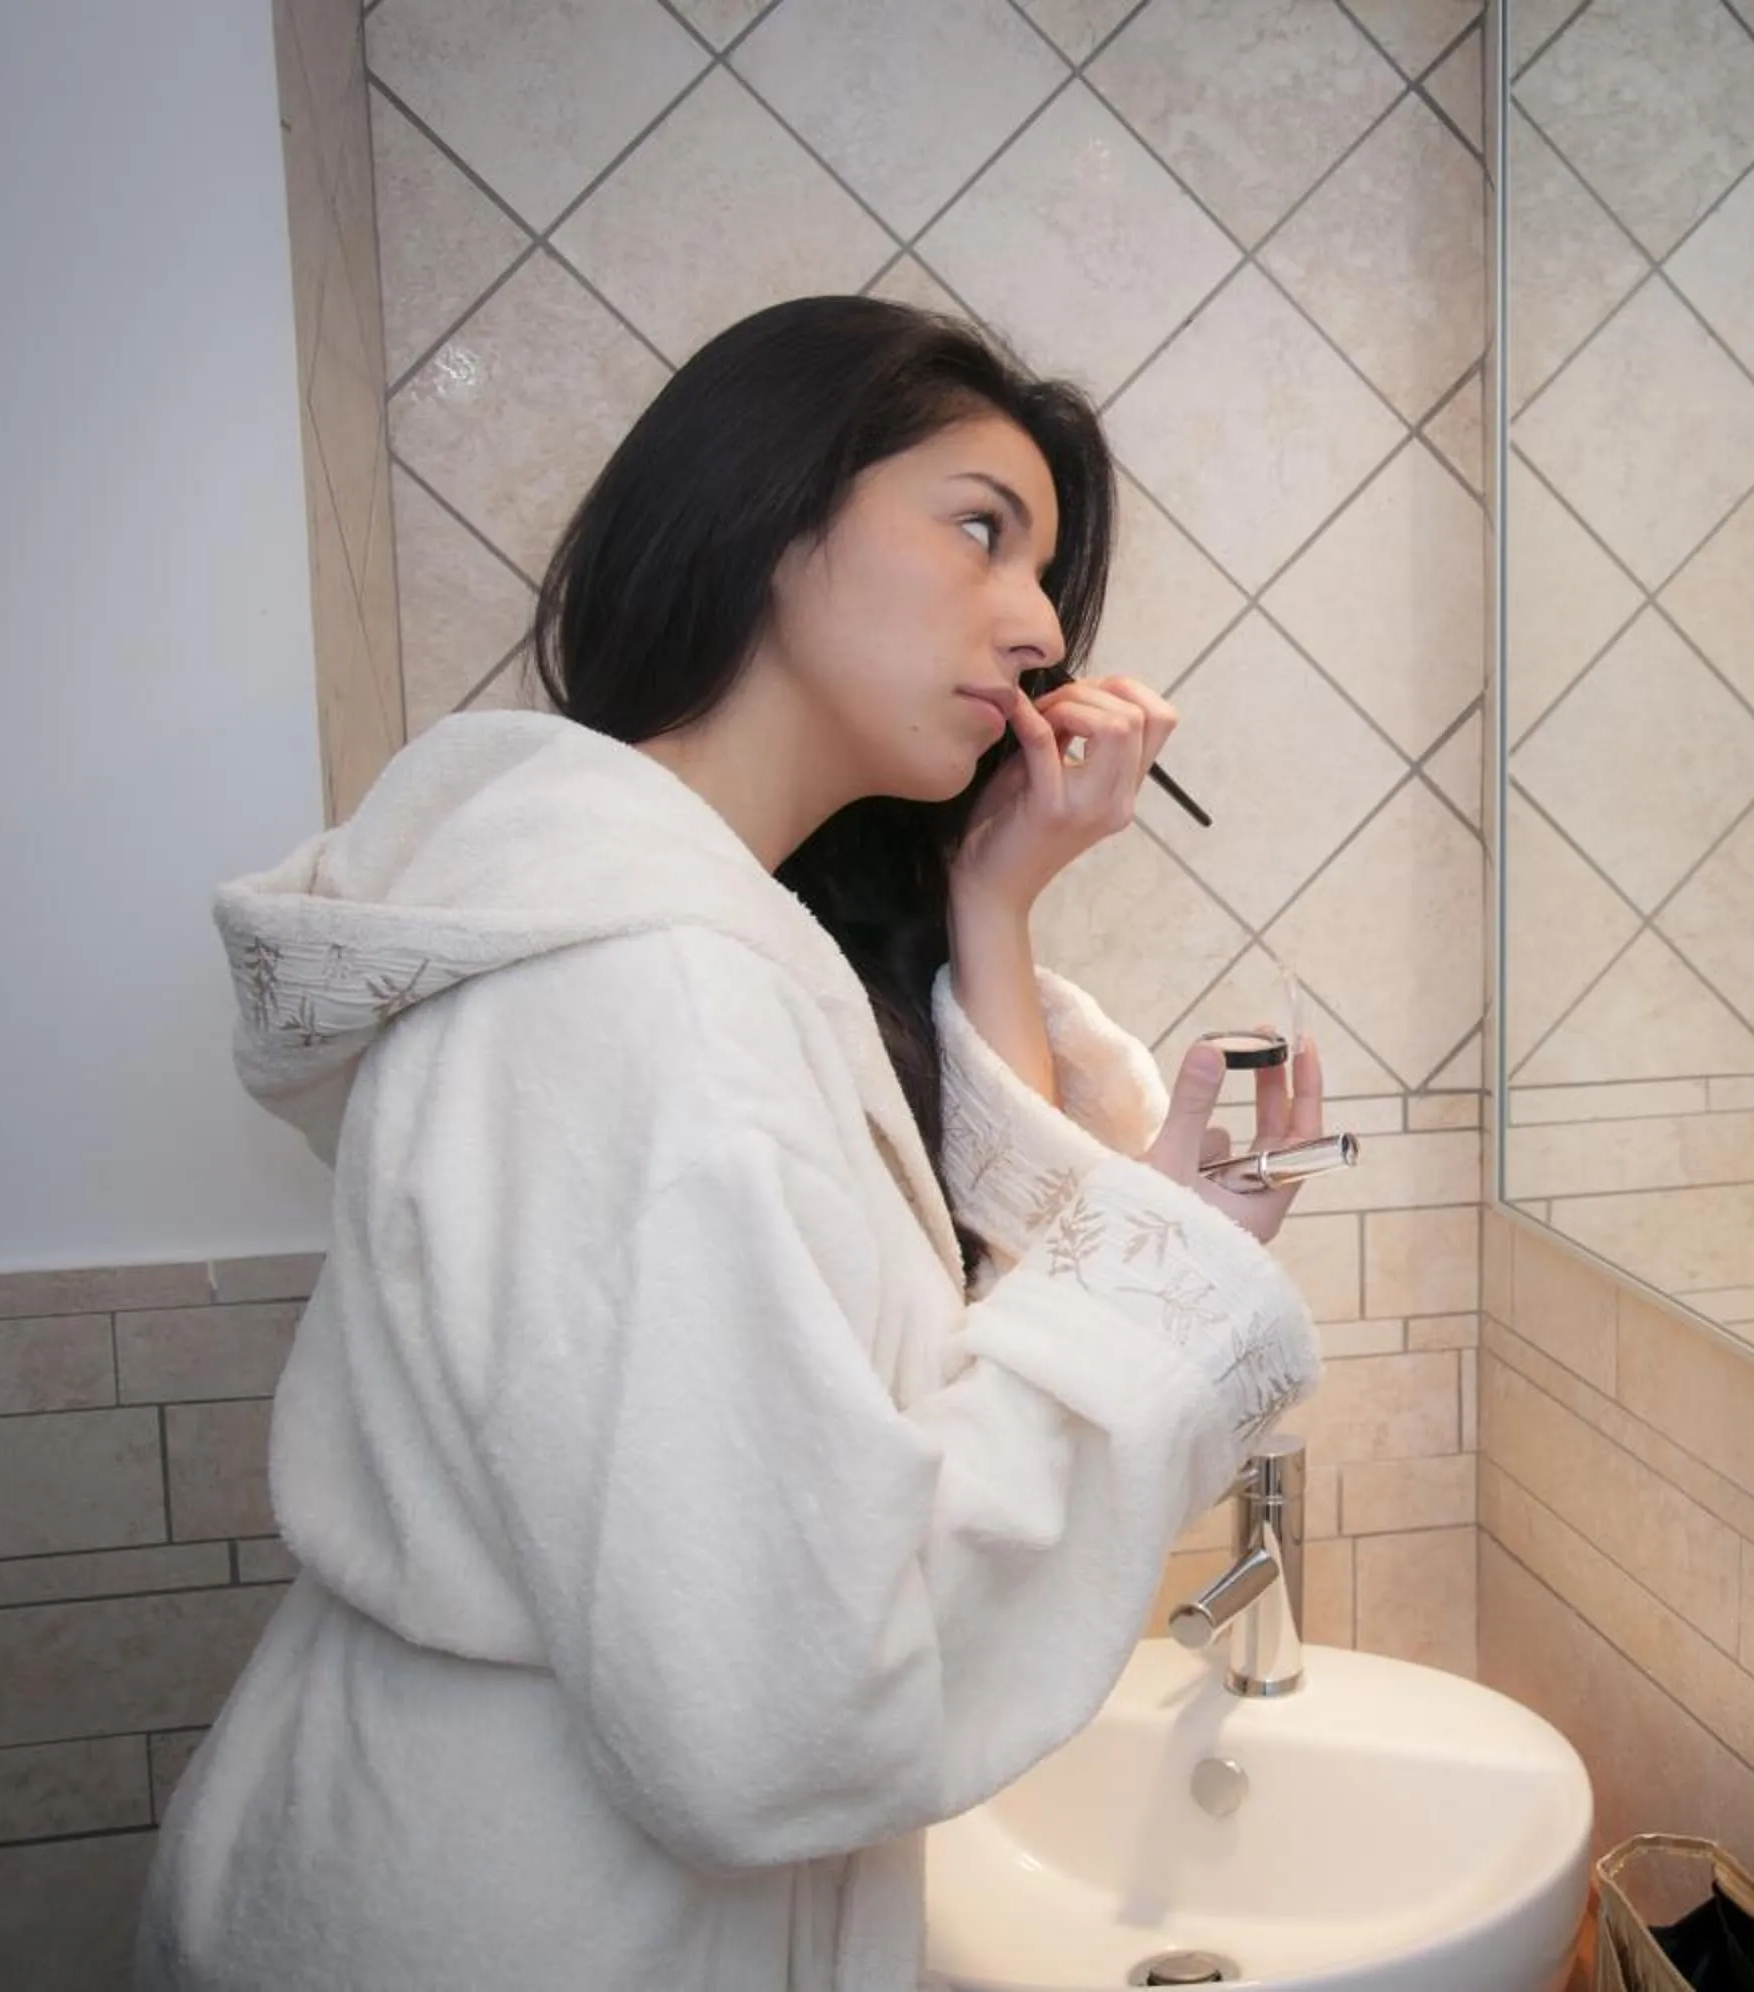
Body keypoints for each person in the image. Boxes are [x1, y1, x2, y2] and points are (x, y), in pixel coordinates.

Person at [135, 297, 1325, 1989]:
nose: (1042, 632)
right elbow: (787, 1689)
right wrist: (1166, 1307)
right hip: (530, 1923)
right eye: (982, 529)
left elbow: (916, 1359)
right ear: (766, 510)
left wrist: (994, 892)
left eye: (1048, 574)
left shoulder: (685, 936)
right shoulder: (645, 990)